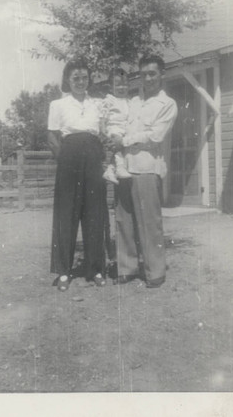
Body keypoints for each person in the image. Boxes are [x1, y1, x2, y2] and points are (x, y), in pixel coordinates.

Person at [111, 54, 178, 288]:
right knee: (124, 219)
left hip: (147, 168)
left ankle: (155, 271)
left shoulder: (167, 104)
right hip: (126, 168)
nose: (147, 78)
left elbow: (155, 136)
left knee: (150, 222)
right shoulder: (133, 102)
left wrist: (125, 140)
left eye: (152, 73)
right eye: (143, 74)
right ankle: (127, 268)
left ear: (162, 75)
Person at [47, 59, 106, 292]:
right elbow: (52, 137)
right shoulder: (58, 105)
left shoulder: (99, 104)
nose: (81, 82)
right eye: (75, 78)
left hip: (93, 157)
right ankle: (63, 271)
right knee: (66, 215)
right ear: (68, 80)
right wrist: (64, 159)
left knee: (94, 213)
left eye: (84, 77)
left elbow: (105, 132)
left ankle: (96, 269)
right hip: (69, 158)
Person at [102, 68, 132, 185]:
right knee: (118, 149)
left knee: (120, 150)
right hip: (114, 128)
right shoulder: (110, 99)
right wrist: (103, 128)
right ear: (111, 87)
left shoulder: (128, 101)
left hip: (124, 130)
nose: (121, 88)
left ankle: (110, 170)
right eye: (118, 85)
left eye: (124, 85)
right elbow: (103, 115)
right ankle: (119, 169)